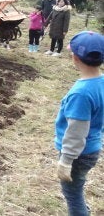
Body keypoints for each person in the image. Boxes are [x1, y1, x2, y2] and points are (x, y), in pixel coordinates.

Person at [54, 31, 104, 216]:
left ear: (74, 57)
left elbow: (76, 132)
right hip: (90, 149)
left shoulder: (81, 94)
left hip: (78, 154)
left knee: (73, 195)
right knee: (77, 190)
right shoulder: (101, 82)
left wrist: (66, 161)